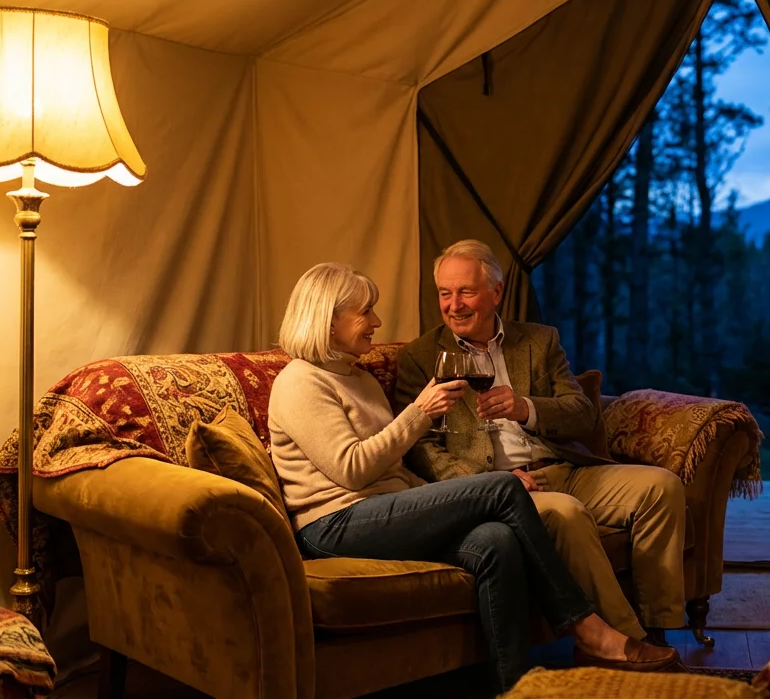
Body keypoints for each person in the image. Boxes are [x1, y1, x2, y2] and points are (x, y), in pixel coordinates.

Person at [267, 262, 678, 692]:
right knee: (501, 487)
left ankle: (514, 687)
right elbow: (352, 471)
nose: (377, 322)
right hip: (333, 524)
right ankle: (586, 627)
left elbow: (395, 471)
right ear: (328, 320)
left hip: (380, 511)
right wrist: (420, 414)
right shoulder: (300, 381)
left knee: (495, 541)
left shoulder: (359, 378)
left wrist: (438, 500)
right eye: (365, 312)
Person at [395, 240, 687, 646]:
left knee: (662, 486)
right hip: (501, 487)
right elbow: (421, 447)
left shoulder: (538, 340)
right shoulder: (422, 357)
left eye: (466, 291)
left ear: (496, 292)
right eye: (445, 293)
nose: (454, 305)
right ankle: (626, 642)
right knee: (566, 515)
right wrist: (491, 484)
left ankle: (661, 625)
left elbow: (581, 413)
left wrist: (525, 408)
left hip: (562, 469)